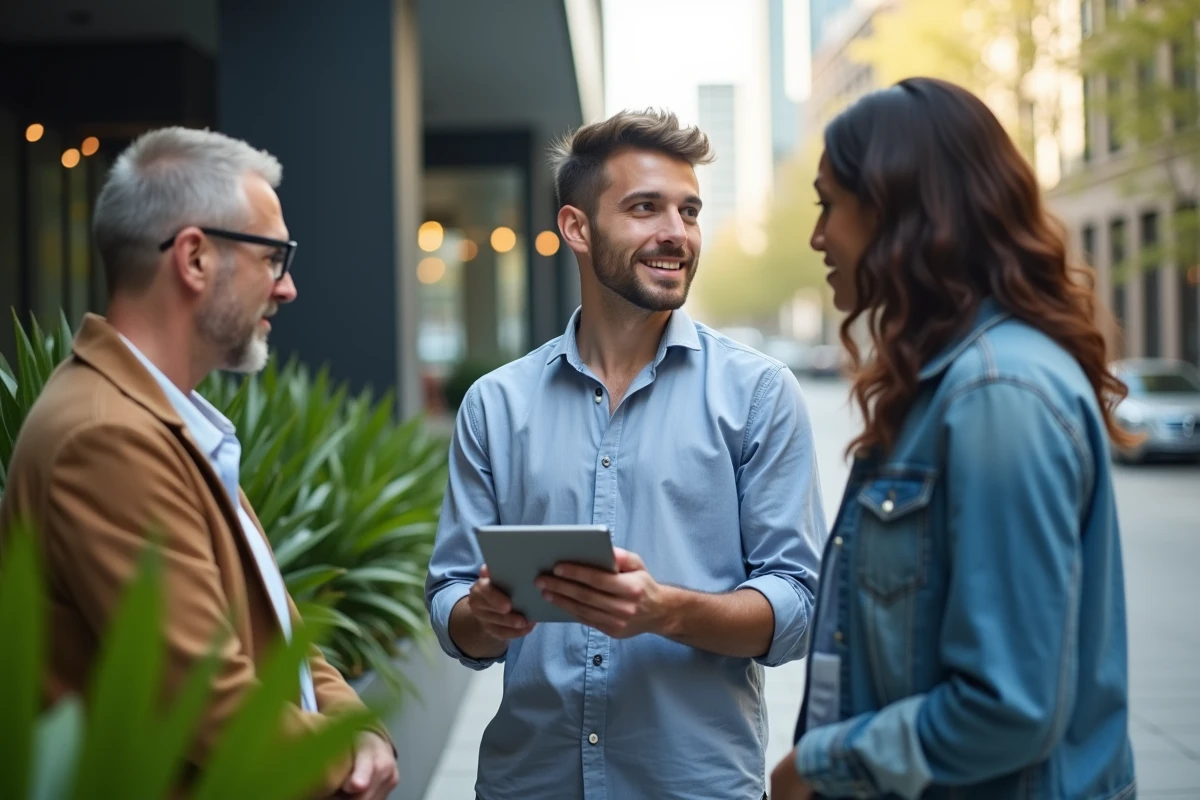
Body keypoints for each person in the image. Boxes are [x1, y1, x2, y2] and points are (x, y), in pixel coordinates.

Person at [424, 109, 828, 799]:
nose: (676, 232)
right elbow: (451, 602)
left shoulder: (759, 394)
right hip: (528, 784)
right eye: (646, 208)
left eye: (690, 211)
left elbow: (798, 608)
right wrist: (485, 617)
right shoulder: (496, 404)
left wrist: (663, 610)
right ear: (577, 227)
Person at [0, 127, 399, 799]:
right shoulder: (107, 438)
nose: (289, 288)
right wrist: (346, 758)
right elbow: (207, 703)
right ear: (194, 258)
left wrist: (353, 725)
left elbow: (279, 633)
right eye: (274, 257)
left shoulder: (163, 418)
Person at [769, 77, 1137, 799]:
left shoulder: (999, 396)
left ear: (897, 209)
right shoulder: (949, 384)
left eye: (828, 205)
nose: (817, 236)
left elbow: (1009, 707)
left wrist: (819, 766)